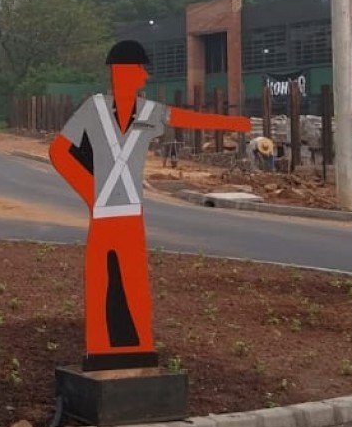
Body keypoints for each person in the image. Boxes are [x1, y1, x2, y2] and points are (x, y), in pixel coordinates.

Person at [49, 41, 251, 368]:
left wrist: (234, 124)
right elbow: (58, 152)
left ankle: (140, 347)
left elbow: (186, 118)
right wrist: (91, 192)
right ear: (121, 72)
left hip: (131, 216)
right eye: (139, 68)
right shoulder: (93, 109)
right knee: (101, 282)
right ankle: (100, 350)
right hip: (102, 219)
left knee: (134, 281)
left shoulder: (148, 112)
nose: (145, 75)